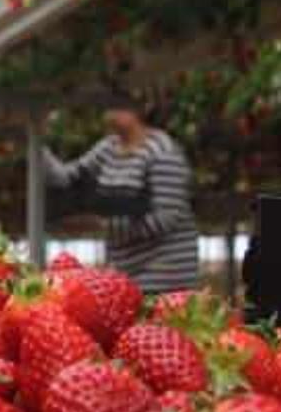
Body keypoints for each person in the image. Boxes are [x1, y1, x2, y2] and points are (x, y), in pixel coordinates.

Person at [43, 92, 199, 294]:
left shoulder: (162, 151)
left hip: (164, 274)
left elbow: (166, 218)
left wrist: (104, 226)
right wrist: (35, 141)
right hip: (126, 271)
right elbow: (66, 178)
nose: (109, 111)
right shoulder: (109, 147)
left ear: (141, 108)